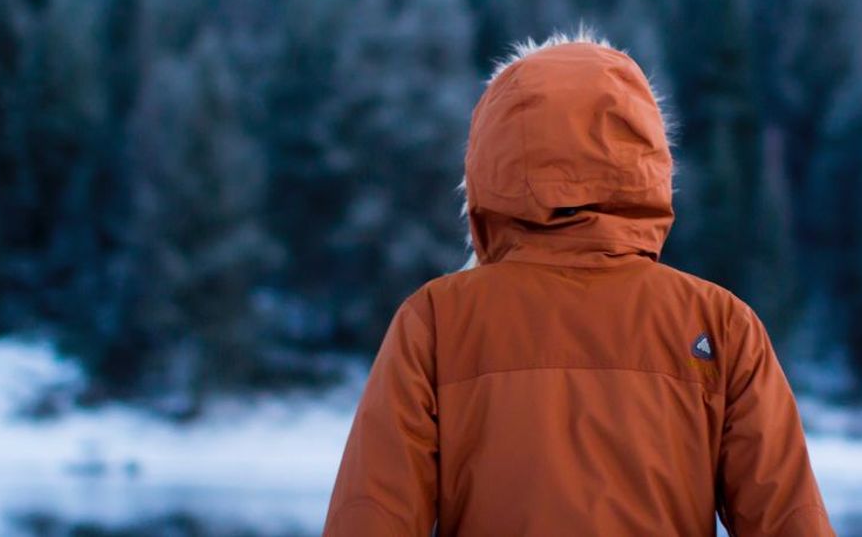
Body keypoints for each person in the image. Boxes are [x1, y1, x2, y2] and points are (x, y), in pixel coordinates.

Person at [322, 32, 835, 536]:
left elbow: (371, 516)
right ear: (647, 160)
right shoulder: (718, 323)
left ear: (491, 161)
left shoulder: (437, 320)